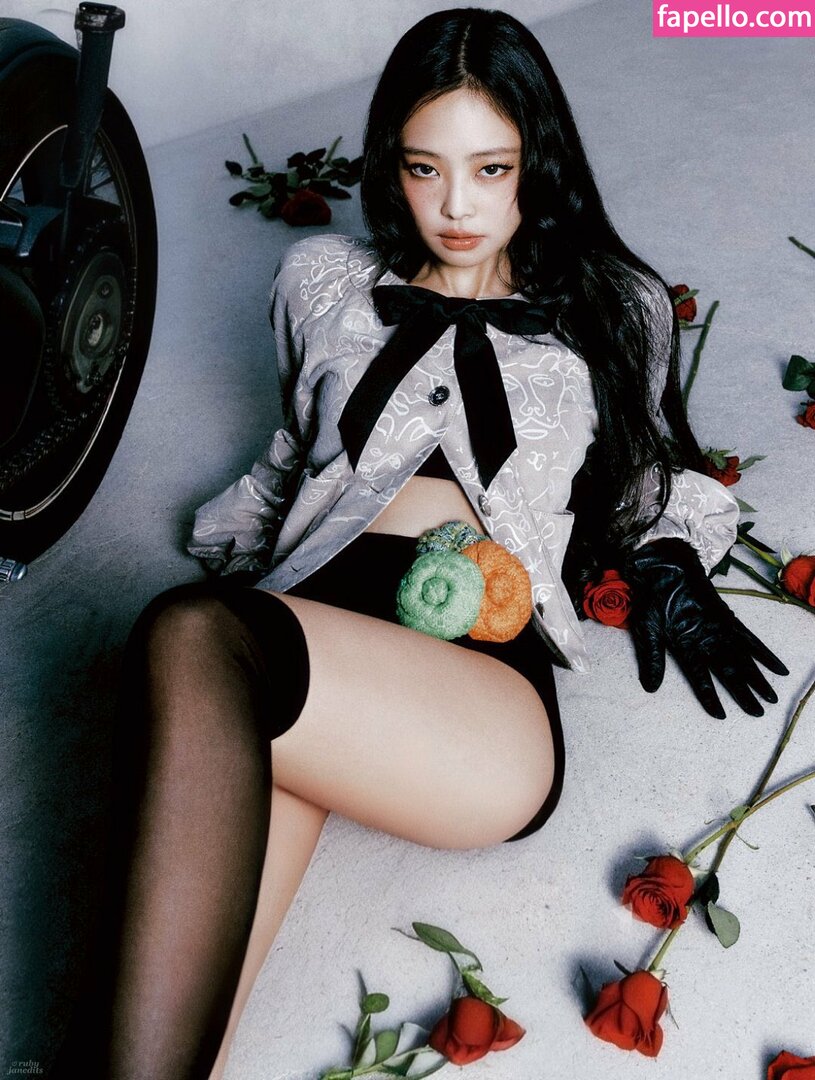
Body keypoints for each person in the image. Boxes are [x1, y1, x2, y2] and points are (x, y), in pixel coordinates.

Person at [53, 8, 787, 1079]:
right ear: (388, 165)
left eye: (490, 169)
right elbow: (298, 445)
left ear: (537, 163)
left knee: (193, 638)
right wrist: (247, 528)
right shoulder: (319, 282)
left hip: (476, 696)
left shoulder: (611, 306)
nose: (455, 206)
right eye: (422, 168)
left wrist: (671, 557)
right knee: (169, 1001)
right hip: (315, 644)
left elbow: (651, 473)